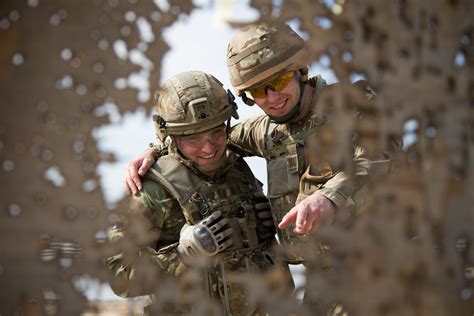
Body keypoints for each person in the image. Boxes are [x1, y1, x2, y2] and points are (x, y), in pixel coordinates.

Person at [124, 23, 390, 264]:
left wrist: (328, 198)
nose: (272, 97)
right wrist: (156, 149)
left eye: (279, 80)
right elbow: (210, 139)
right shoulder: (266, 131)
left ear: (299, 70)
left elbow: (379, 160)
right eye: (258, 91)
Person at [107, 70, 293, 315]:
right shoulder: (150, 190)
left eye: (216, 132)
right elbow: (118, 275)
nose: (209, 147)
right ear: (171, 136)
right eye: (193, 139)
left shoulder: (238, 167)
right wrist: (182, 256)